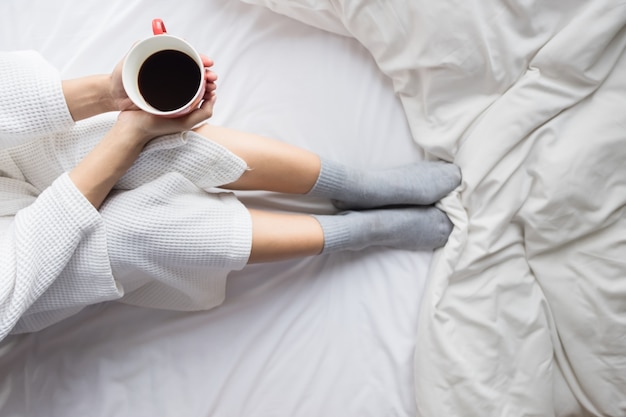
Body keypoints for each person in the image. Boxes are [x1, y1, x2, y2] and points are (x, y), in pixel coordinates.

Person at [0, 48, 461, 341]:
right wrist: (128, 136)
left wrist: (111, 94)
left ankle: (356, 186)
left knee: (147, 145)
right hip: (16, 277)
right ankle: (356, 231)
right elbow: (18, 269)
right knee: (134, 233)